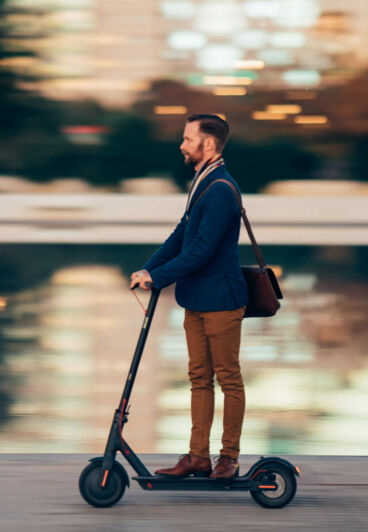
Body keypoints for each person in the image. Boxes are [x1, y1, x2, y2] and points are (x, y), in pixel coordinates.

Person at [129, 114, 248, 480]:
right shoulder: (203, 181)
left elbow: (201, 250)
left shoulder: (222, 189)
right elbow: (180, 235)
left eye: (187, 138)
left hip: (222, 301)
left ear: (207, 144)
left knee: (228, 377)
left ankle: (228, 457)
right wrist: (147, 270)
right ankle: (198, 457)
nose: (181, 144)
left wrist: (160, 277)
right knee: (199, 377)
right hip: (195, 297)